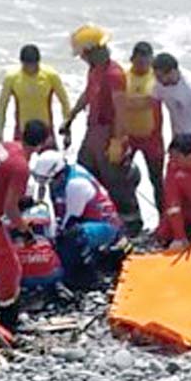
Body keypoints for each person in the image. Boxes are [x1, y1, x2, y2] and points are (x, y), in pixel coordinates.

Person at [58, 25, 141, 234]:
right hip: (93, 131)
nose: (82, 59)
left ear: (91, 51)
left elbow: (121, 111)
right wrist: (71, 117)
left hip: (110, 132)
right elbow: (88, 94)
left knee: (117, 181)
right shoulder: (95, 70)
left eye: (83, 55)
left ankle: (132, 226)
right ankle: (98, 218)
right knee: (85, 171)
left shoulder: (114, 74)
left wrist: (117, 141)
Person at [0, 119, 50, 333]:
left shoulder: (5, 146)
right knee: (9, 267)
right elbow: (10, 209)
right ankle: (8, 319)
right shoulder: (21, 167)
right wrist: (25, 229)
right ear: (42, 144)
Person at [31, 149, 125, 292]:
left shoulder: (75, 185)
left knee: (73, 236)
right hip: (85, 219)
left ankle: (84, 278)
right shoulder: (60, 182)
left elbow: (69, 221)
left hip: (105, 226)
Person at [0, 44, 70, 148]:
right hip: (22, 132)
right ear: (22, 62)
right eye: (27, 64)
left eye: (33, 64)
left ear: (38, 62)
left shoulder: (50, 75)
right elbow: (2, 106)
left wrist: (67, 130)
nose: (30, 68)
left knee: (51, 158)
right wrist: (0, 134)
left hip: (46, 132)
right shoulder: (12, 78)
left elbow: (65, 102)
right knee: (19, 158)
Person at [123, 41, 165, 214]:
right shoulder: (123, 77)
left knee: (157, 180)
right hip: (128, 136)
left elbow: (150, 101)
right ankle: (132, 217)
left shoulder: (157, 79)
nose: (142, 65)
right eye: (139, 61)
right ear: (132, 59)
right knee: (122, 178)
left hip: (152, 137)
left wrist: (131, 102)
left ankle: (164, 219)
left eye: (146, 62)